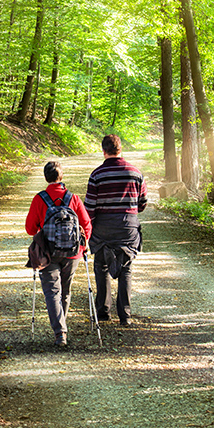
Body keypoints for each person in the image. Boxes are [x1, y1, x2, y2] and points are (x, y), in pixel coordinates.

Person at [25, 160, 92, 346]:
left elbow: (30, 229)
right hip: (72, 252)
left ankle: (60, 332)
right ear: (61, 176)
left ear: (46, 177)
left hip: (47, 253)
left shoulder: (40, 199)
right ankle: (62, 326)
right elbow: (86, 224)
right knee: (65, 290)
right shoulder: (74, 198)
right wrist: (83, 245)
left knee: (52, 291)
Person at [84, 134, 147, 326]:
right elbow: (142, 203)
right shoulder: (136, 173)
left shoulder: (97, 175)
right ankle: (125, 315)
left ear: (103, 151)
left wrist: (90, 230)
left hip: (103, 227)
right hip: (127, 226)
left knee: (101, 267)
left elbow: (89, 208)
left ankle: (103, 312)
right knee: (126, 269)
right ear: (120, 149)